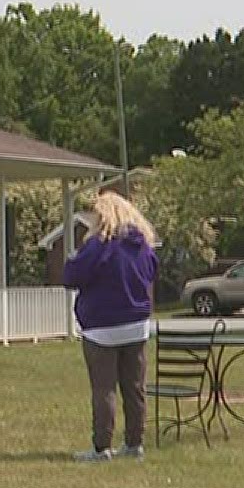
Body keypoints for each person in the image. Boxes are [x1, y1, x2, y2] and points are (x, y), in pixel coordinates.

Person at [61, 192, 160, 461]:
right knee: (134, 387)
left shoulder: (98, 245)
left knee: (104, 389)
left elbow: (71, 276)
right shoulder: (143, 246)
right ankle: (134, 443)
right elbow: (151, 272)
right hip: (136, 324)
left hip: (101, 327)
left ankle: (102, 447)